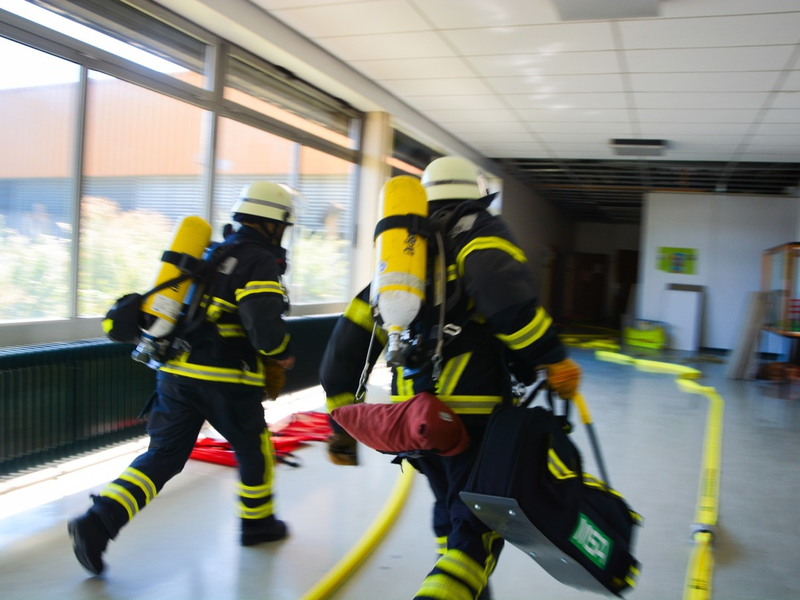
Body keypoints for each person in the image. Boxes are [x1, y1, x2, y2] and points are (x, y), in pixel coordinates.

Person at [319, 156, 581, 599]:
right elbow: (506, 303)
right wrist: (551, 357)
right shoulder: (479, 231)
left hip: (415, 422)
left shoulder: (404, 256)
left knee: (450, 504)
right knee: (477, 531)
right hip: (473, 417)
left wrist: (338, 421)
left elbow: (347, 342)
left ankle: (469, 591)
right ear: (475, 195)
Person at [68, 181, 297, 575]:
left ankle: (98, 522)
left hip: (174, 372)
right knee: (255, 449)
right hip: (225, 378)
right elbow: (263, 325)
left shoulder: (211, 252)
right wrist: (281, 354)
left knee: (163, 457)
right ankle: (258, 524)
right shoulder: (258, 259)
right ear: (274, 223)